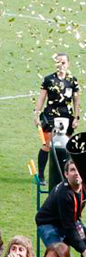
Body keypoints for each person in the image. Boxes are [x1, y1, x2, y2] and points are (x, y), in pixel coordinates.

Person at [35, 52, 79, 183]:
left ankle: (65, 174)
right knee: (47, 145)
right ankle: (42, 175)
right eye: (58, 62)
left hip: (66, 116)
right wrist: (36, 114)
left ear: (68, 64)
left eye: (63, 62)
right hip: (50, 115)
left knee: (67, 146)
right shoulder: (49, 80)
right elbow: (41, 98)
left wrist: (76, 117)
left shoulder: (72, 80)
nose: (61, 65)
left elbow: (76, 101)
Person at [35, 159, 85, 256]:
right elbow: (69, 227)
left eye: (78, 169)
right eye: (73, 170)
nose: (77, 173)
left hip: (69, 220)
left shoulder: (83, 186)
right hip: (48, 224)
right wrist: (83, 250)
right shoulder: (64, 194)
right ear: (66, 174)